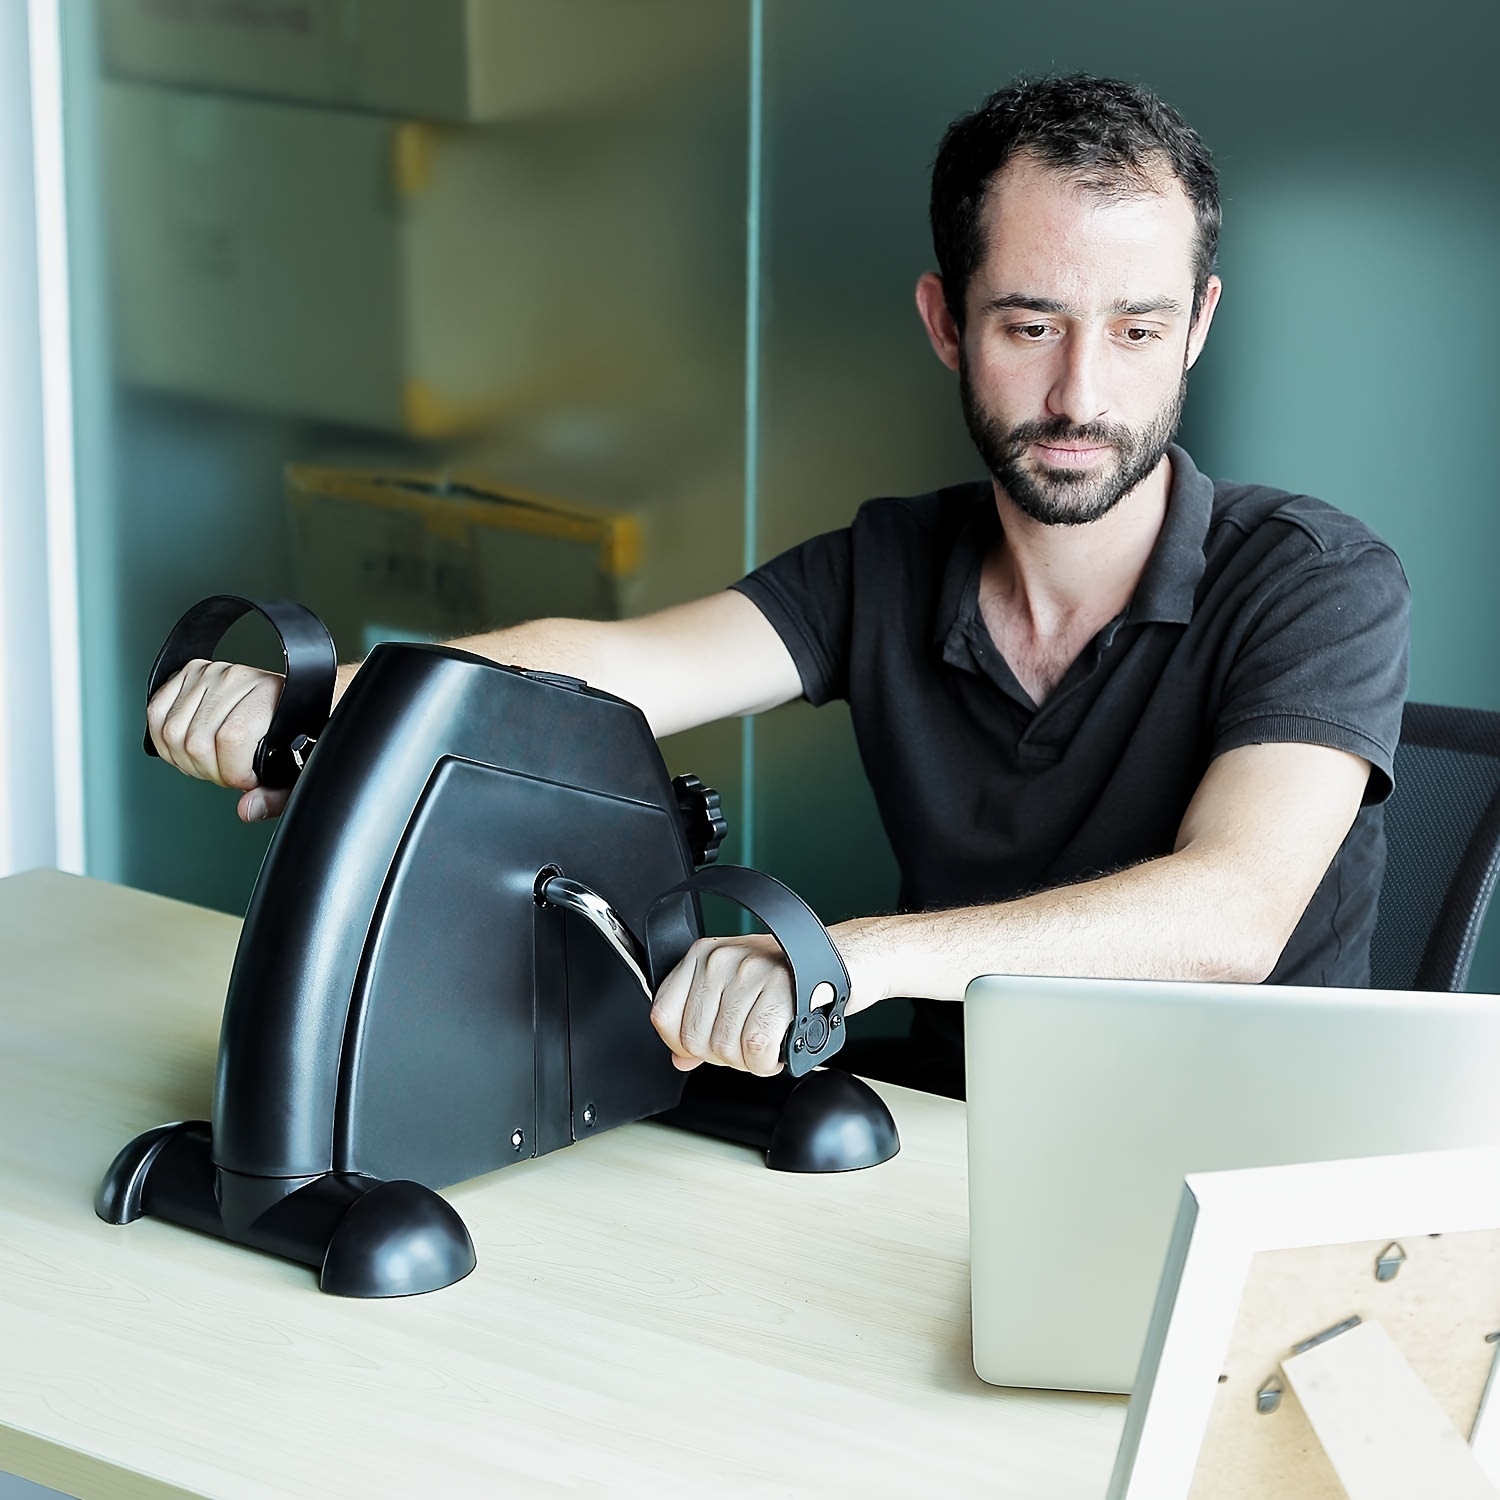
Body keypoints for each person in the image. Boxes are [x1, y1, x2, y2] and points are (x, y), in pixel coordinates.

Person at [147, 74, 1409, 1099]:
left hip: (1253, 1174)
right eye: (1030, 326)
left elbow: (1231, 917)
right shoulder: (891, 563)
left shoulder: (1317, 583)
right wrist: (318, 709)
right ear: (944, 322)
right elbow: (609, 666)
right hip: (955, 1158)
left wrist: (846, 961)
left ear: (1196, 326)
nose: (1082, 394)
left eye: (1136, 330)